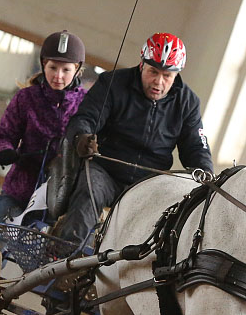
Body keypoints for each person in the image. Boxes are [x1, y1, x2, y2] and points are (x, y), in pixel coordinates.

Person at [54, 32, 213, 245]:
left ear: (177, 75)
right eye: (153, 72)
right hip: (105, 171)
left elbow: (196, 147)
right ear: (141, 65)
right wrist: (81, 137)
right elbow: (85, 118)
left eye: (167, 76)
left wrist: (206, 173)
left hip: (148, 183)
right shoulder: (112, 83)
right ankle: (59, 260)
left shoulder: (188, 102)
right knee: (86, 197)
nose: (158, 82)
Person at [0, 30, 88, 227]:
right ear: (44, 65)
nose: (58, 76)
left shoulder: (87, 104)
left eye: (66, 70)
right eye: (53, 68)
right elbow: (4, 135)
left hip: (57, 200)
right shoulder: (25, 98)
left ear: (77, 69)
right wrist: (4, 151)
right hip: (19, 191)